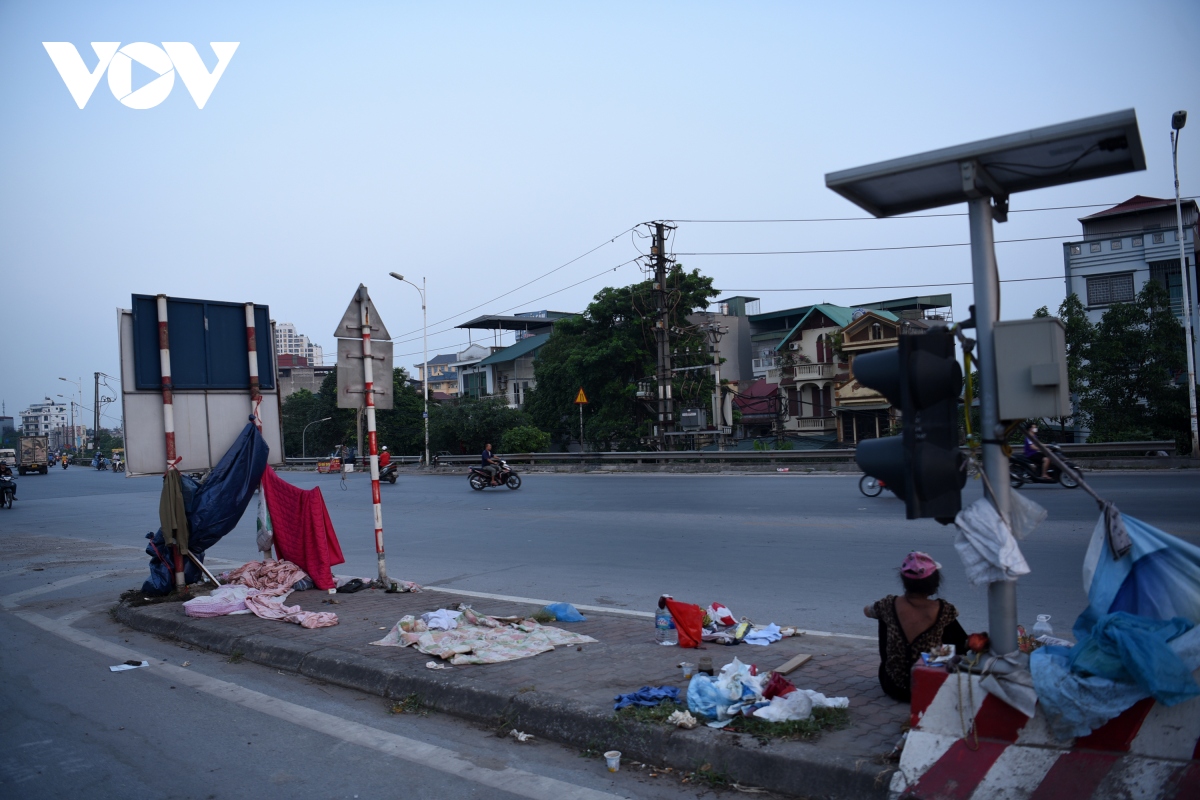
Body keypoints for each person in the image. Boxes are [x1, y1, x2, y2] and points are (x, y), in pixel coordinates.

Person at [864, 552, 968, 702]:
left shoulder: (888, 604)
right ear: (934, 584)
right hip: (927, 685)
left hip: (893, 686)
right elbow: (956, 615)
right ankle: (935, 665)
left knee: (883, 615)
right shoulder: (944, 609)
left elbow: (867, 611)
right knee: (950, 627)